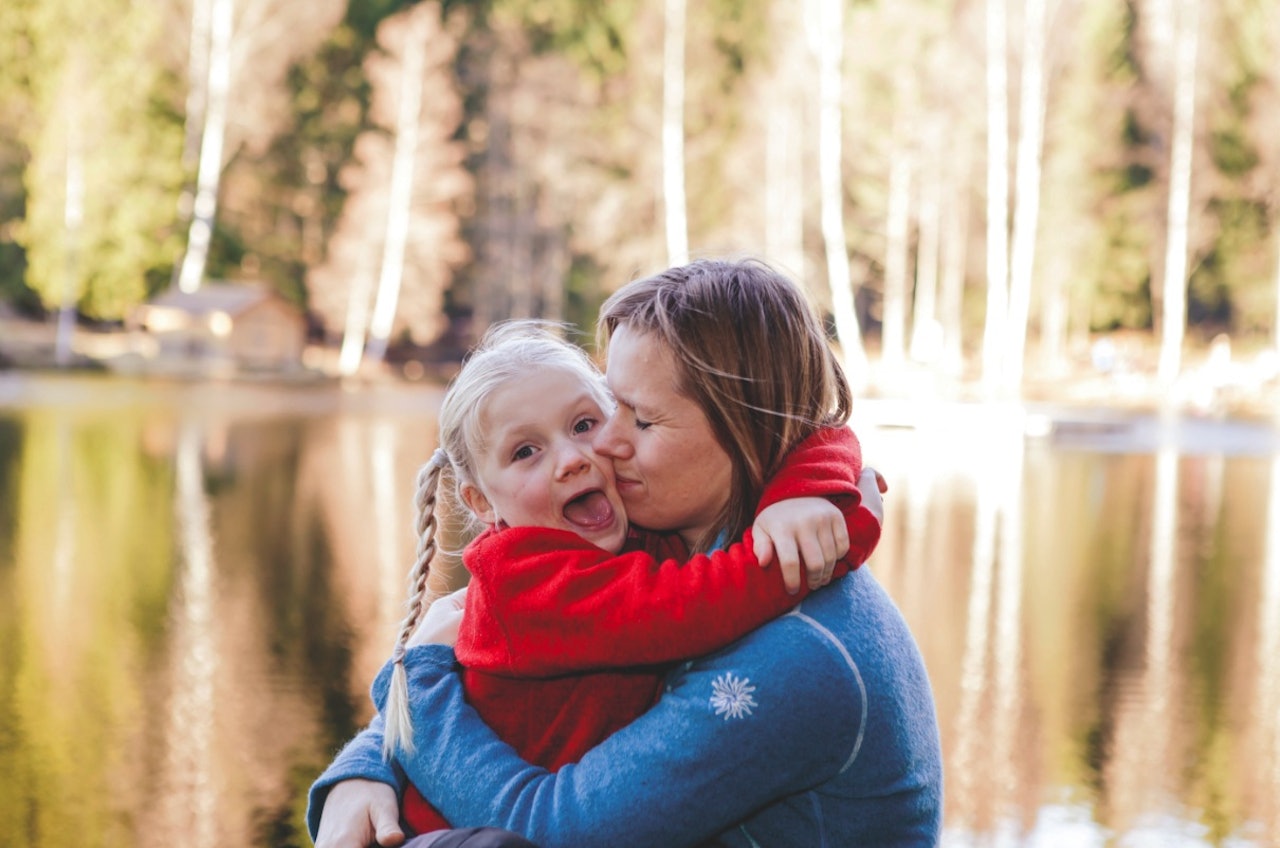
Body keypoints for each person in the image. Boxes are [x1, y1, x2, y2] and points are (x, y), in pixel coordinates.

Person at [312, 257, 942, 847]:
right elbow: (455, 644)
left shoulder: (797, 654)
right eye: (609, 405)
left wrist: (420, 693)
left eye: (637, 420)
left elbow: (552, 831)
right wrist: (364, 767)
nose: (600, 446)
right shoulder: (649, 539)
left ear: (745, 427)